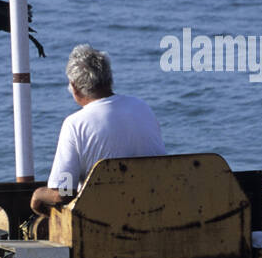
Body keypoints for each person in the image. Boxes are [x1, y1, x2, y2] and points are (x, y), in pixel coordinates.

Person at [30, 44, 165, 215]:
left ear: (74, 87)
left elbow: (64, 193)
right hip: (154, 210)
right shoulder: (142, 107)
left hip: (106, 221)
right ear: (109, 79)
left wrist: (37, 195)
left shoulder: (75, 124)